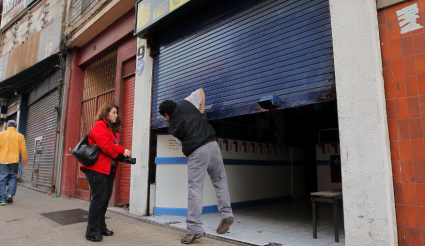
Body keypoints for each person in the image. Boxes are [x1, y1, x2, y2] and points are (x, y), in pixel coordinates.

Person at [159, 89, 234, 244]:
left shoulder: (172, 128)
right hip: (213, 145)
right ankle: (227, 214)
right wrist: (200, 112)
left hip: (197, 152)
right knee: (220, 182)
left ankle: (194, 229)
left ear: (166, 115)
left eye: (165, 117)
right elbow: (201, 91)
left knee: (195, 189)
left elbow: (184, 143)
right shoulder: (188, 102)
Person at [80, 103, 131, 242]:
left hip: (108, 169)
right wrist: (121, 150)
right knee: (98, 200)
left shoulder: (111, 129)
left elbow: (115, 146)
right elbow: (105, 146)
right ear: (106, 113)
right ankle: (91, 232)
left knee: (104, 201)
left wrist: (124, 152)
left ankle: (101, 227)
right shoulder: (99, 126)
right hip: (97, 169)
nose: (116, 115)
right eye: (113, 112)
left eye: (116, 113)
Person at [0, 120, 27, 206]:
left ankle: (2, 199)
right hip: (14, 161)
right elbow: (23, 149)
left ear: (7, 126)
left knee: (2, 179)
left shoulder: (1, 135)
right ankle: (10, 195)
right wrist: (24, 160)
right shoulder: (20, 136)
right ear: (15, 127)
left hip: (3, 160)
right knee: (13, 177)